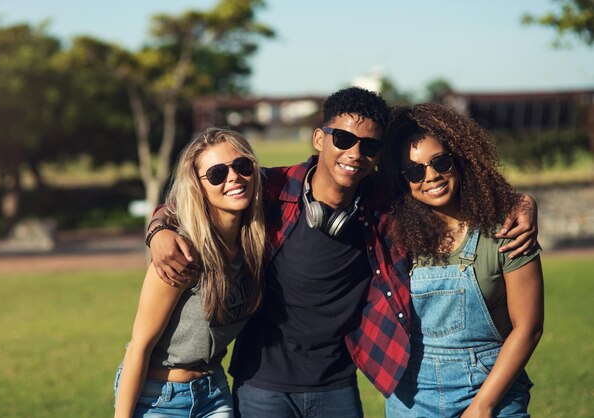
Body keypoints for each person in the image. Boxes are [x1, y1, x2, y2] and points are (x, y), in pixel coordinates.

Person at [146, 87, 539, 418]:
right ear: (320, 139)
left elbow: (450, 187)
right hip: (260, 383)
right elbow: (203, 197)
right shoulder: (272, 188)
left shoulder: (386, 207)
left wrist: (520, 201)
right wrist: (160, 228)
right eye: (343, 139)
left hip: (337, 384)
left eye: (369, 145)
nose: (354, 153)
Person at [383, 103, 544, 418]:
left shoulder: (507, 229)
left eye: (440, 162)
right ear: (402, 180)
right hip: (413, 398)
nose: (431, 176)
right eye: (415, 170)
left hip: (492, 389)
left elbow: (529, 328)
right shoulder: (395, 236)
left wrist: (483, 406)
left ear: (460, 161)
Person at [114, 128, 266, 418]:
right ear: (199, 187)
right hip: (158, 398)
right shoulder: (181, 253)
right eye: (217, 174)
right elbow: (139, 347)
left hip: (213, 392)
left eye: (242, 166)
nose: (233, 177)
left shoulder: (254, 244)